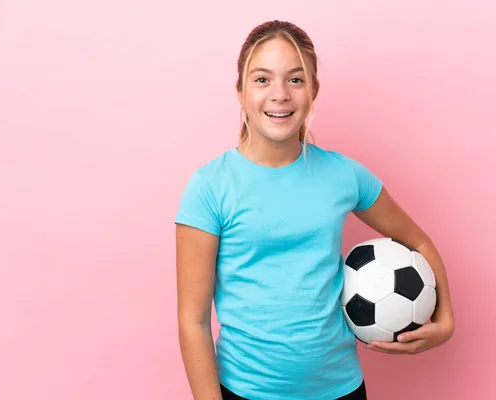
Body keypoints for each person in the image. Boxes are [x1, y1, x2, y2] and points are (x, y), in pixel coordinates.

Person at [175, 20, 455, 400]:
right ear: (240, 91)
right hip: (244, 391)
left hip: (341, 390)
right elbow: (193, 322)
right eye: (262, 80)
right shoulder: (209, 188)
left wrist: (446, 321)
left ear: (313, 91)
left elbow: (418, 242)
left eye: (295, 79)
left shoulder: (343, 175)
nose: (280, 95)